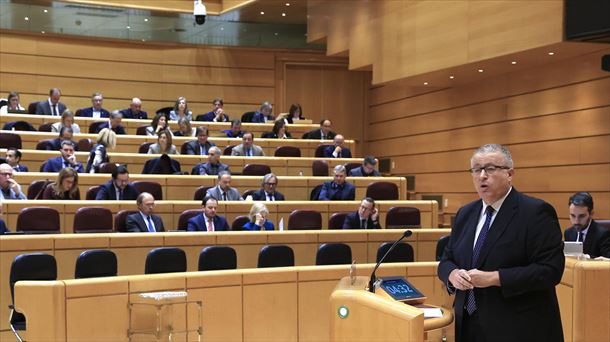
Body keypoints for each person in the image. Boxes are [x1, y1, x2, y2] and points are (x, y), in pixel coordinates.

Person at [437, 144, 564, 342]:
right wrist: (452, 275)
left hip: (518, 327)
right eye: (476, 169)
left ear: (510, 174)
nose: (481, 176)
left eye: (490, 168)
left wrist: (494, 278)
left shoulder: (535, 212)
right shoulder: (465, 213)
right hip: (468, 324)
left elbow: (550, 271)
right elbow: (446, 260)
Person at [564, 192, 610, 258]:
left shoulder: (603, 234)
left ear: (591, 214)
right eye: (573, 216)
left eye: (581, 216)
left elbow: (607, 260)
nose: (576, 221)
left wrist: (587, 257)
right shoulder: (568, 233)